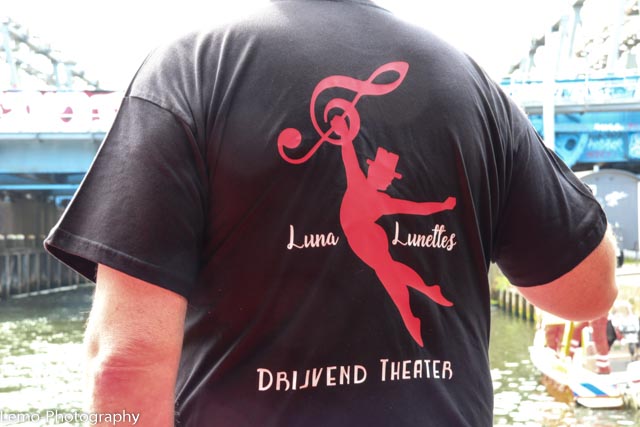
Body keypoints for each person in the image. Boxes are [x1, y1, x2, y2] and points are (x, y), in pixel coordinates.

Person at [44, 1, 617, 426]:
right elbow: (588, 292)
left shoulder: (188, 70)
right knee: (400, 276)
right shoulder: (477, 90)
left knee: (399, 276)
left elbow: (123, 367)